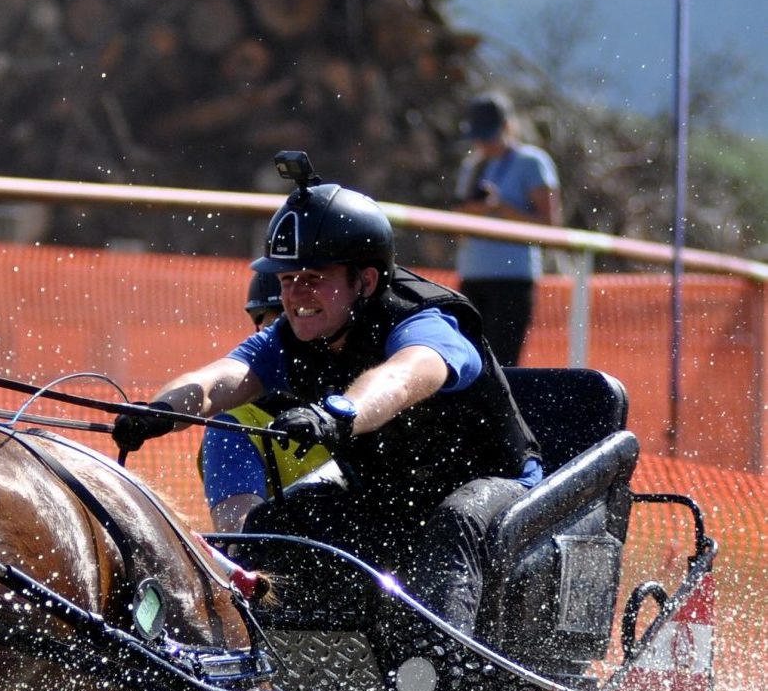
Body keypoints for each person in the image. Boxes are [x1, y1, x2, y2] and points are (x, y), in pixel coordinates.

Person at [113, 152, 543, 662]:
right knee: (279, 524)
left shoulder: (425, 321)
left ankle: (435, 687)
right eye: (287, 280)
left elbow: (408, 375)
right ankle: (254, 667)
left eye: (313, 277)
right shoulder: (293, 335)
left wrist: (337, 413)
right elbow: (222, 378)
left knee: (456, 522)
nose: (295, 295)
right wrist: (162, 410)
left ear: (364, 281)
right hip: (389, 502)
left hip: (502, 496)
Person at [201, 270, 334, 533]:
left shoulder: (365, 399)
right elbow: (240, 539)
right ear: (261, 331)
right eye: (286, 322)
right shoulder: (233, 427)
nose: (303, 336)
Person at [453, 92, 560, 365]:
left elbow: (550, 226)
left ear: (506, 127)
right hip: (473, 277)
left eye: (488, 135)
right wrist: (474, 211)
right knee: (469, 363)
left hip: (512, 280)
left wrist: (501, 208)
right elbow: (457, 227)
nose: (483, 143)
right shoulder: (472, 166)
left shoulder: (532, 162)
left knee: (503, 366)